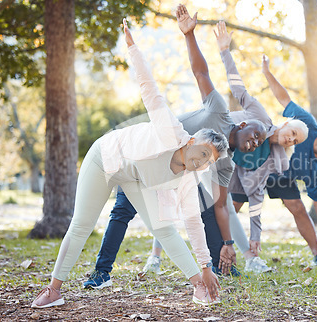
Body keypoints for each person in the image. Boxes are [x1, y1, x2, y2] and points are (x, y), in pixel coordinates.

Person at [31, 19, 229, 309]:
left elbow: (193, 223)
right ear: (190, 142)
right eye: (201, 152)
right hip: (105, 159)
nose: (199, 162)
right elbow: (149, 89)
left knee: (164, 229)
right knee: (81, 225)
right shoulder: (170, 130)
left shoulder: (188, 178)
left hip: (135, 178)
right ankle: (53, 290)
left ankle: (199, 286)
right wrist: (133, 48)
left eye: (206, 161)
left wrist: (206, 266)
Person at [82, 5, 268, 289]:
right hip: (146, 159)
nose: (255, 142)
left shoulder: (226, 162)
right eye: (256, 135)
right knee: (122, 211)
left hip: (176, 177)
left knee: (205, 207)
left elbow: (221, 207)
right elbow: (201, 73)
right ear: (244, 125)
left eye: (259, 144)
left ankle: (219, 267)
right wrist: (189, 35)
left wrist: (228, 243)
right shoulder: (219, 111)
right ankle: (101, 272)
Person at [141, 21, 310, 275]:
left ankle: (244, 257)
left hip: (220, 157)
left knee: (221, 206)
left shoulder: (276, 159)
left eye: (295, 141)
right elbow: (235, 86)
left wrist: (256, 234)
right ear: (285, 123)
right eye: (293, 133)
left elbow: (257, 195)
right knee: (177, 198)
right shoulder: (257, 118)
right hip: (203, 138)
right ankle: (156, 255)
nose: (291, 140)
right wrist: (224, 51)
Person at [236, 53, 317, 267]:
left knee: (298, 207)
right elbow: (284, 99)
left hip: (282, 178)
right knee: (234, 204)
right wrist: (267, 73)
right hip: (262, 163)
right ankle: (216, 242)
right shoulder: (307, 123)